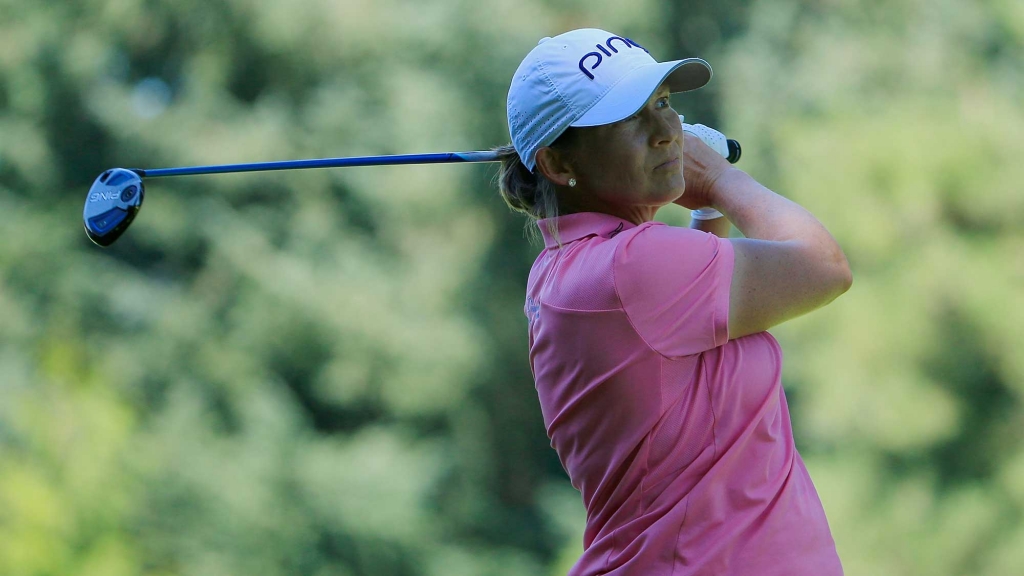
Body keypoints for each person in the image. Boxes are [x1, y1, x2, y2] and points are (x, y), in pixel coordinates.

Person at [495, 28, 852, 575]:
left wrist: (707, 202)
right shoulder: (632, 267)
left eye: (661, 103)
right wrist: (720, 178)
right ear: (558, 165)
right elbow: (823, 268)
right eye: (626, 117)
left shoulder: (571, 269)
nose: (665, 131)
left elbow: (694, 313)